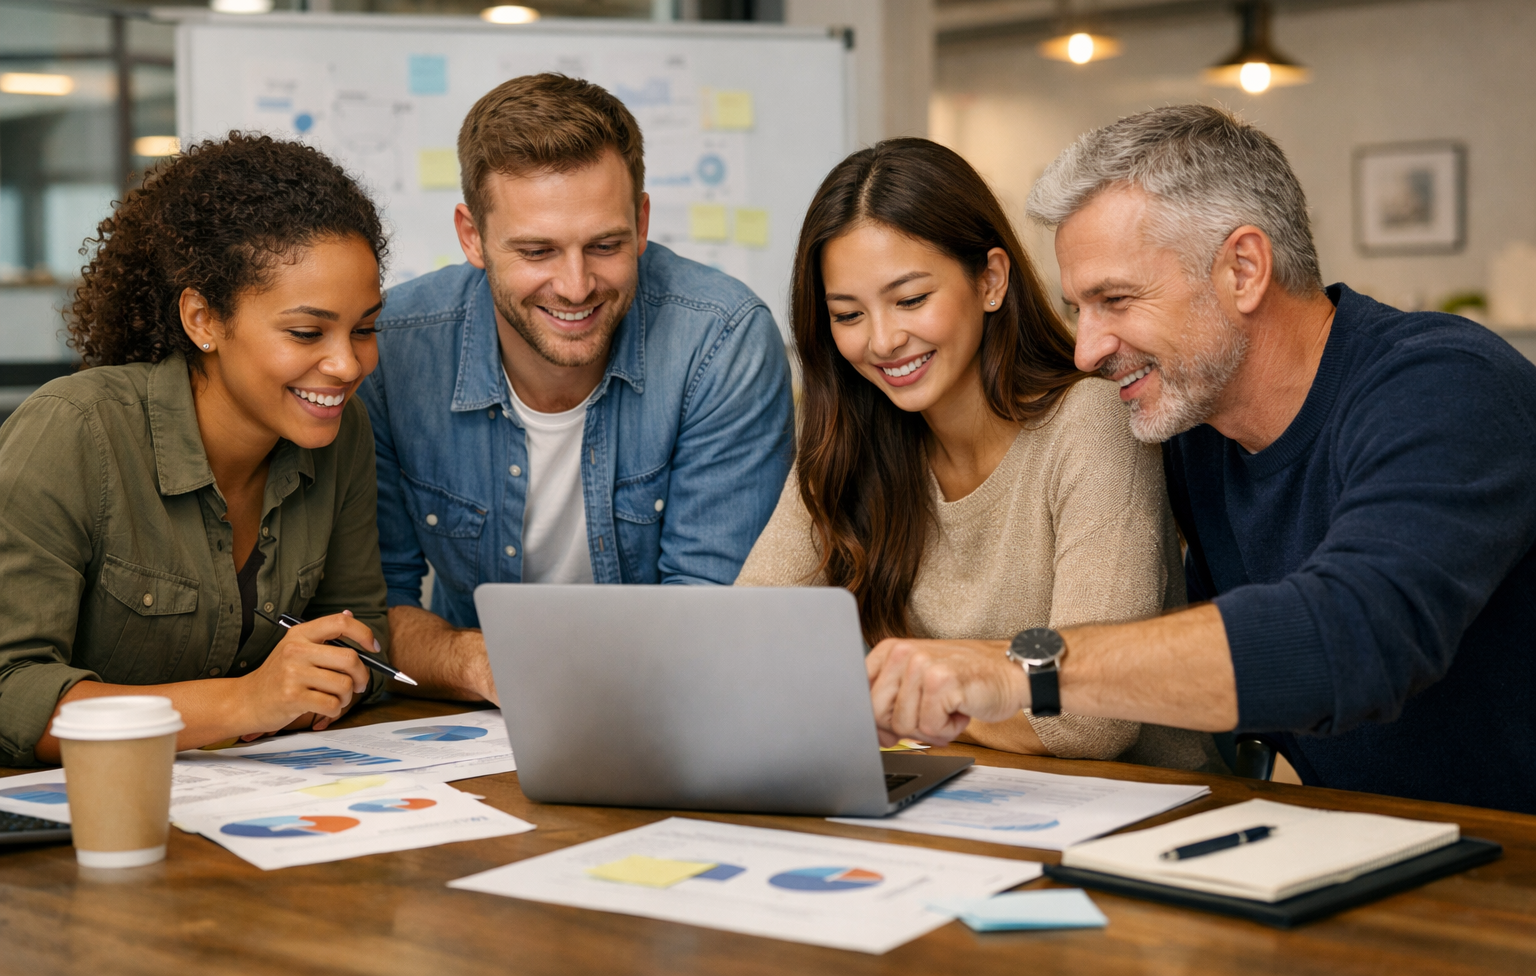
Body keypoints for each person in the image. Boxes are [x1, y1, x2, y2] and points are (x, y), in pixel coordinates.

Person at [863, 106, 1536, 813]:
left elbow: (1349, 638)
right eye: (1077, 310)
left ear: (1243, 269)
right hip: (1386, 844)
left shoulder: (1447, 388)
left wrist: (1019, 670)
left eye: (1115, 300)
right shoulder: (1197, 433)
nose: (1086, 351)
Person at [736, 137, 1220, 771]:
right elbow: (746, 647)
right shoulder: (846, 440)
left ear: (990, 281)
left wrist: (878, 708)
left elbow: (1086, 721)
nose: (883, 340)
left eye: (911, 300)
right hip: (952, 800)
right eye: (848, 314)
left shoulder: (1091, 425)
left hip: (1133, 811)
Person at [360, 73, 794, 703]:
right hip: (473, 717)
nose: (575, 285)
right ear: (471, 237)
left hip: (667, 705)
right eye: (537, 251)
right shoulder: (393, 347)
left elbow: (713, 616)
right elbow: (373, 609)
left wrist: (553, 679)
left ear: (642, 222)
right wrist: (479, 662)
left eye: (605, 245)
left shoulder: (721, 341)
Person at [0, 134, 395, 766]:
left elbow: (362, 636)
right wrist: (243, 704)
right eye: (305, 331)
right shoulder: (75, 432)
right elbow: (9, 689)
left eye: (366, 328)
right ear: (202, 319)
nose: (348, 364)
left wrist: (340, 678)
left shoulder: (342, 435)